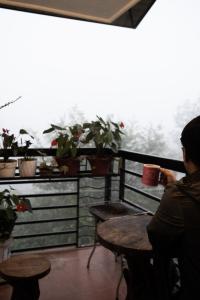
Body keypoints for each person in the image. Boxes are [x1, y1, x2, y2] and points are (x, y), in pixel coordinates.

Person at [147, 115, 200, 300]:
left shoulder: (181, 195)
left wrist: (172, 188)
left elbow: (156, 237)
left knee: (160, 265)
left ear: (185, 153)